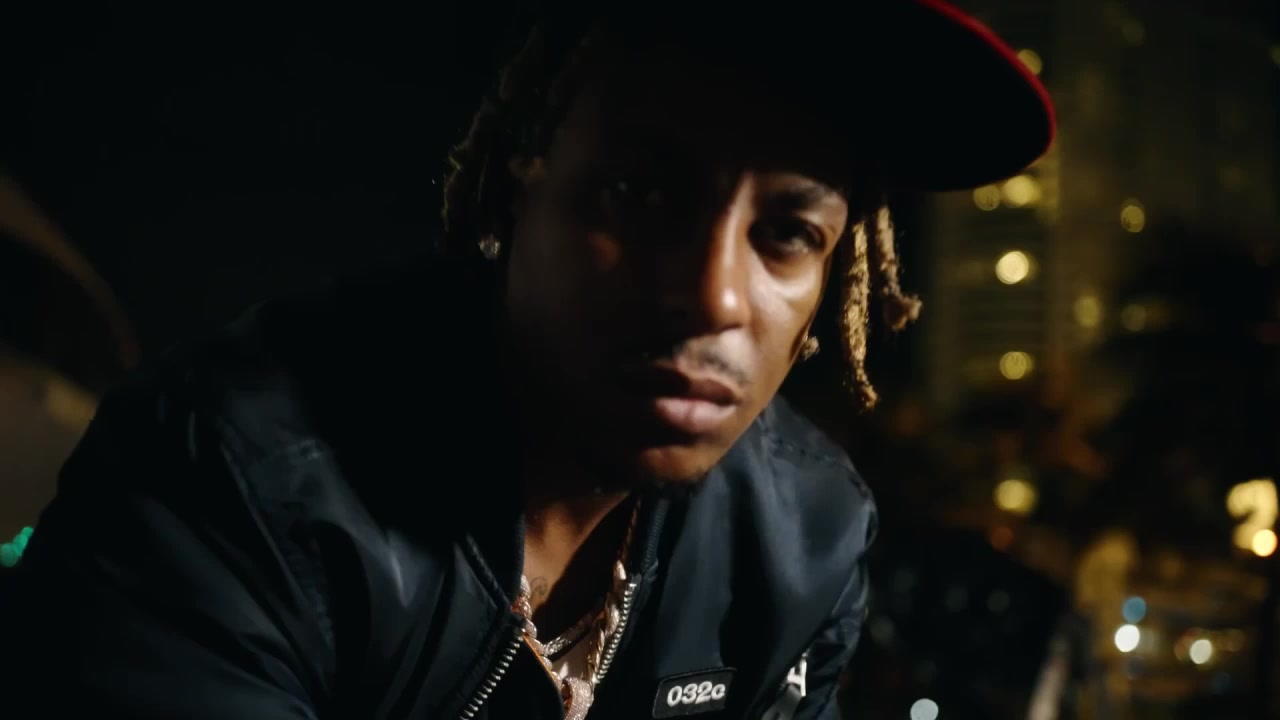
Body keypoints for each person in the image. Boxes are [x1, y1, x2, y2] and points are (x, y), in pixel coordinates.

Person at [0, 2, 1053, 718]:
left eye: (787, 234)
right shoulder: (227, 482)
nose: (715, 297)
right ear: (518, 184)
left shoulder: (806, 543)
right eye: (640, 194)